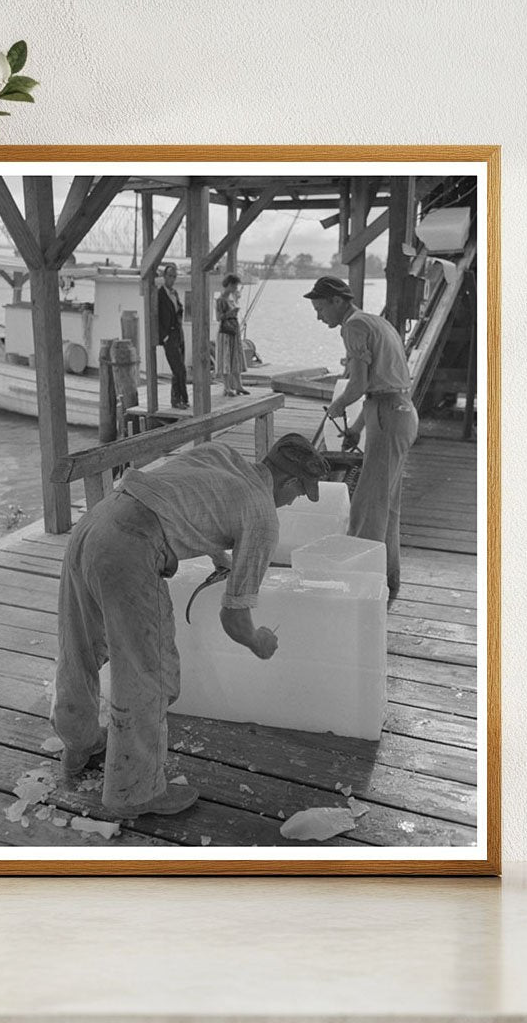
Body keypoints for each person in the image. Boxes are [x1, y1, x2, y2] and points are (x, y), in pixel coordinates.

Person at [51, 434, 330, 818]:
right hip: (130, 548)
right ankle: (134, 793)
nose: (293, 502)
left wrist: (219, 554)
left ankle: (77, 742)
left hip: (96, 522)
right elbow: (233, 618)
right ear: (289, 483)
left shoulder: (222, 453)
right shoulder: (263, 513)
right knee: (149, 674)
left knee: (77, 647)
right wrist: (257, 641)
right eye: (299, 494)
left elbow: (178, 496)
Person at [304, 276, 419, 606]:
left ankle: (358, 593)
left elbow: (358, 385)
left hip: (387, 415)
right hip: (398, 411)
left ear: (338, 301)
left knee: (367, 508)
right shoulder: (375, 321)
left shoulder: (352, 326)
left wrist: (338, 406)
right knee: (387, 506)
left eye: (320, 307)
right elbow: (381, 388)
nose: (318, 316)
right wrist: (355, 426)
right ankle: (389, 579)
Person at [156, 263, 189, 409]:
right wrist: (164, 336)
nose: (172, 279)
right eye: (169, 276)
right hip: (169, 335)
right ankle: (179, 400)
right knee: (178, 369)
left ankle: (179, 399)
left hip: (178, 333)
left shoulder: (174, 293)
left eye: (174, 276)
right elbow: (156, 317)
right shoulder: (159, 294)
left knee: (180, 369)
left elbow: (178, 311)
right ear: (164, 277)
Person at [215, 273, 249, 397]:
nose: (235, 288)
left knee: (235, 358)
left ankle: (238, 385)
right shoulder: (221, 299)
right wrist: (230, 314)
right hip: (225, 332)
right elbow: (219, 317)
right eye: (234, 286)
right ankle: (227, 387)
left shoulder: (232, 298)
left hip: (234, 331)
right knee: (226, 358)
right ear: (229, 285)